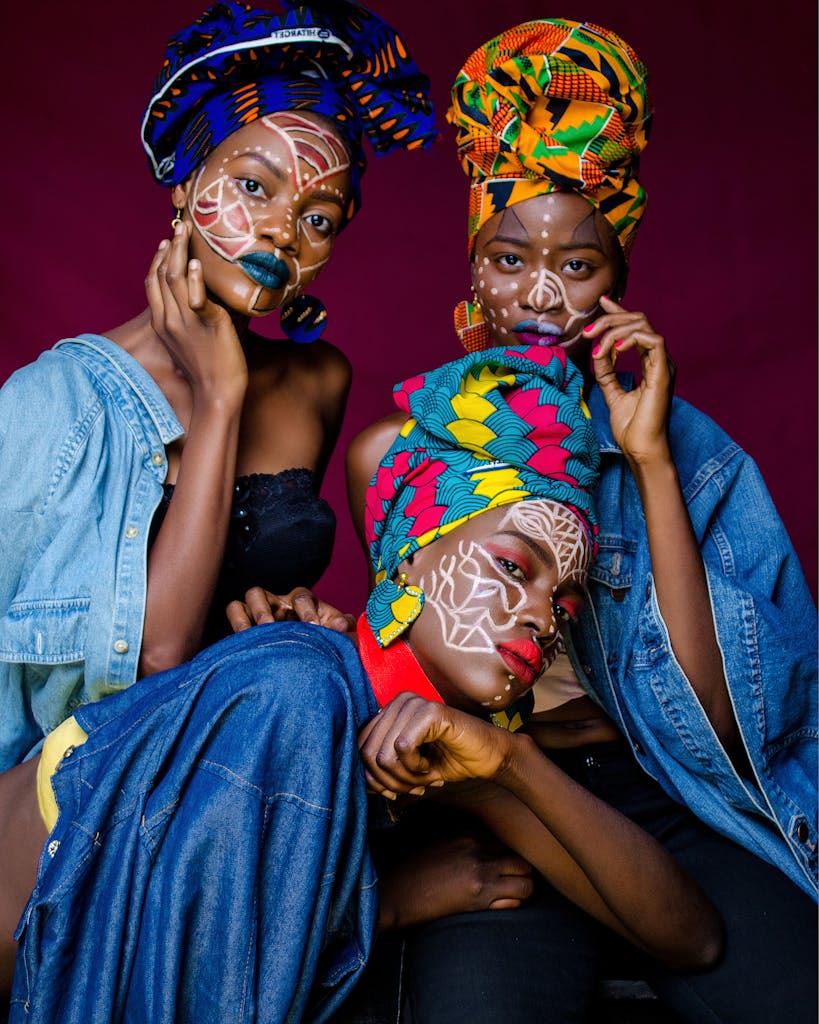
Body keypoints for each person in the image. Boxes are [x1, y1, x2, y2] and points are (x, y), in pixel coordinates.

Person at [2, 345, 722, 1020]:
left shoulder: (453, 743)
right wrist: (386, 904)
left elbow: (689, 938)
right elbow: (189, 981)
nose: (541, 616)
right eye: (512, 566)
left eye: (565, 600)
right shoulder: (298, 688)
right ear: (409, 559)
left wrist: (514, 764)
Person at [342, 18, 817, 1024]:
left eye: (580, 267)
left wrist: (644, 459)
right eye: (509, 257)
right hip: (502, 796)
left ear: (620, 279)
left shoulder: (690, 452)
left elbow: (714, 722)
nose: (541, 296)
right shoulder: (395, 452)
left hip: (671, 792)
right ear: (473, 263)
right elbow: (404, 638)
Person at [0, 0, 435, 775]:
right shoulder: (52, 405)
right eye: (252, 186)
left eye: (320, 218)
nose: (281, 232)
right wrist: (220, 396)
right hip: (100, 795)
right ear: (185, 180)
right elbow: (155, 661)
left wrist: (296, 620)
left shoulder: (315, 381)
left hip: (257, 754)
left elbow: (255, 615)